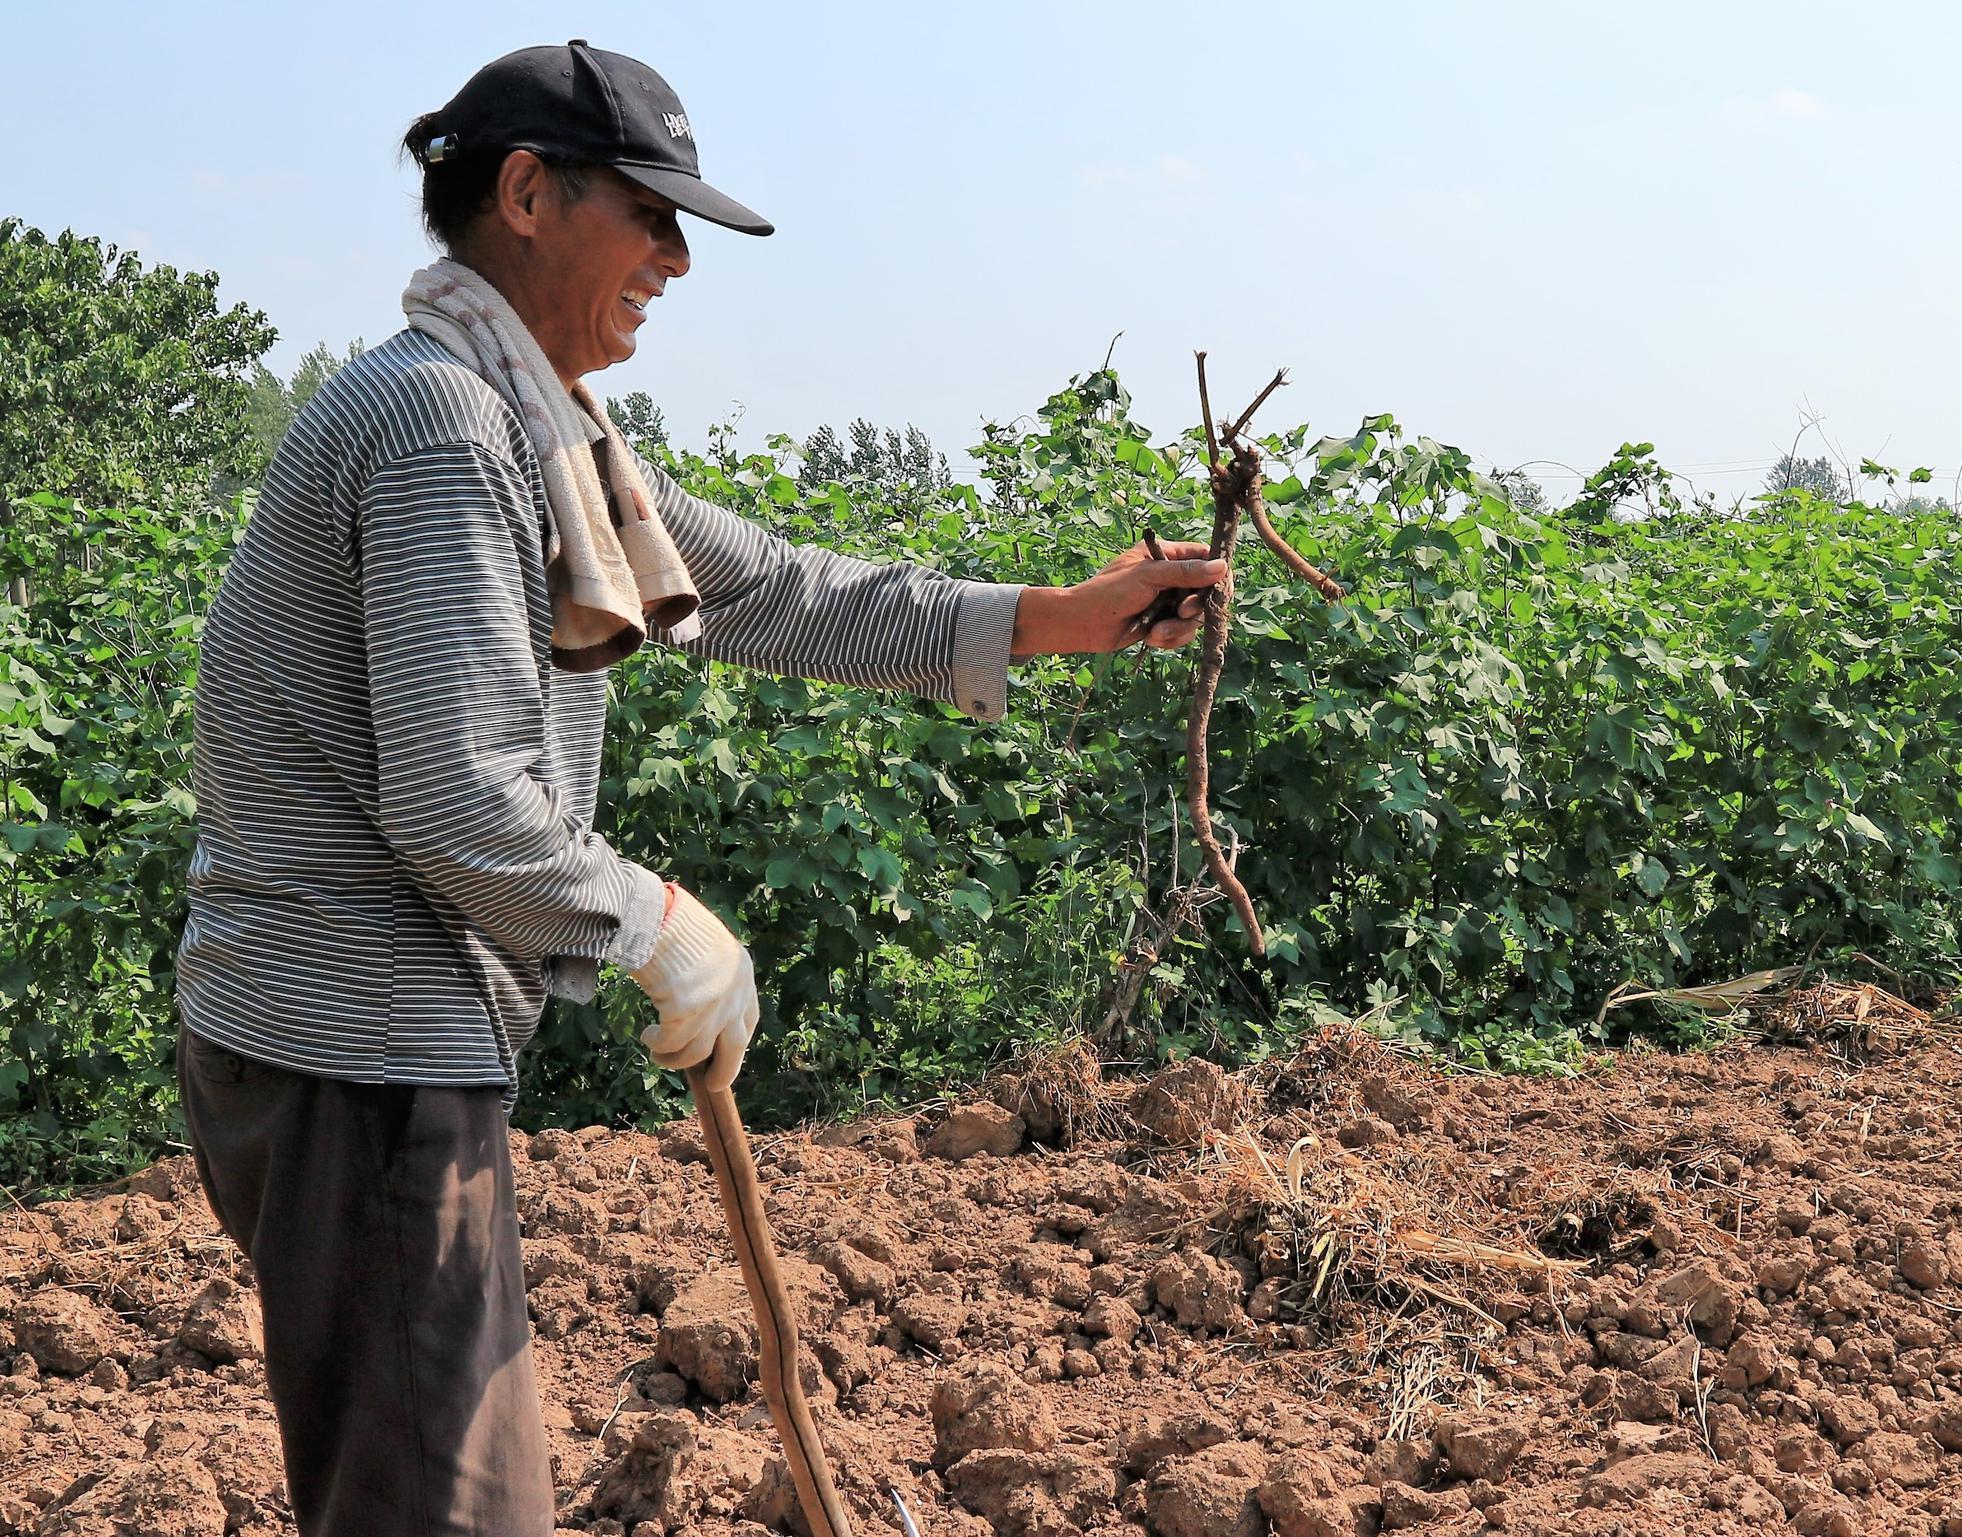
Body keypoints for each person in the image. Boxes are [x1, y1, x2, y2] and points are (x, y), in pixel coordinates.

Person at [172, 38, 1226, 1537]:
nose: (675, 257)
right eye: (651, 215)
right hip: (361, 1059)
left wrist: (1057, 613)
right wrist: (656, 923)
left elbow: (780, 593)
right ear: (527, 193)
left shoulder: (550, 432)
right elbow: (462, 800)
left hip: (360, 1050)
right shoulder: (446, 427)